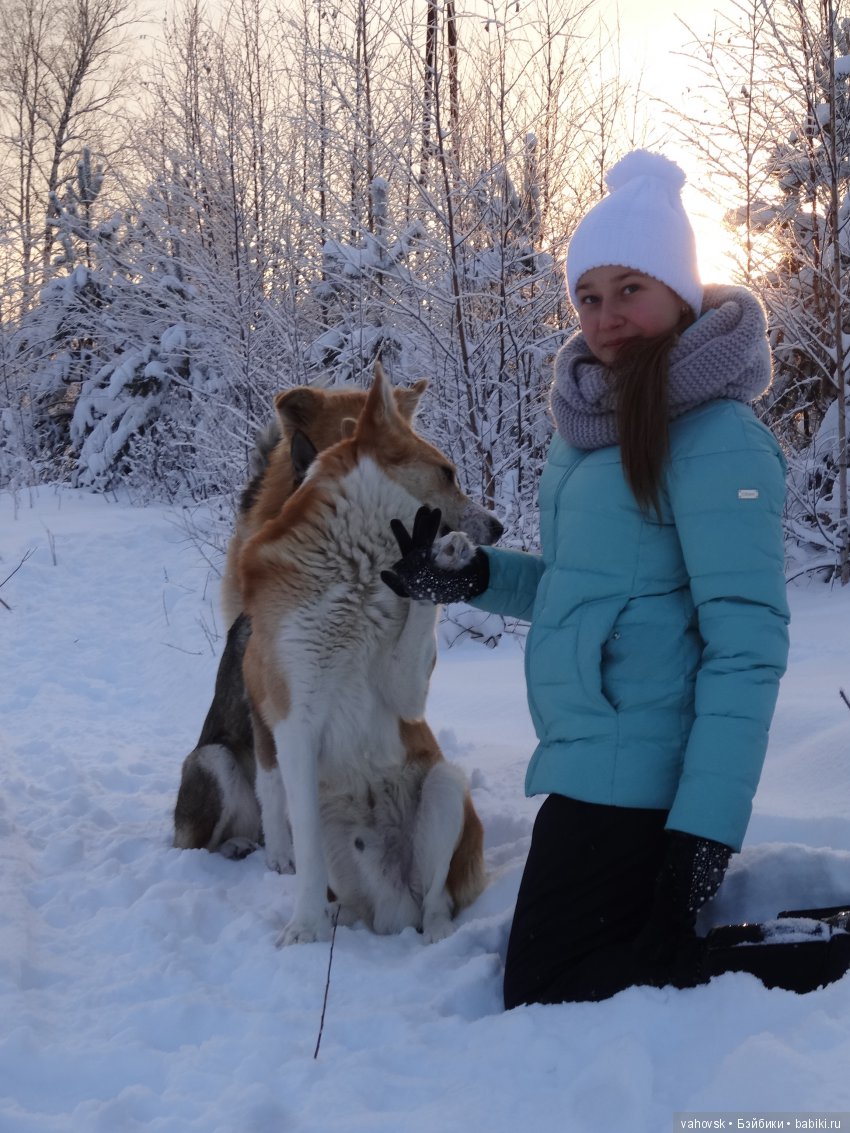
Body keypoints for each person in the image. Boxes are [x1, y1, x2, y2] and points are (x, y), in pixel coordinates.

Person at [382, 149, 850, 1003]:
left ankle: (829, 947)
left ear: (679, 290)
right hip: (592, 759)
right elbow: (579, 589)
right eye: (588, 297)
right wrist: (473, 575)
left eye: (630, 288)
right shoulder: (591, 427)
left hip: (652, 778)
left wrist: (701, 837)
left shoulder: (718, 437)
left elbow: (746, 646)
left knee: (562, 981)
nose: (606, 317)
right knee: (578, 969)